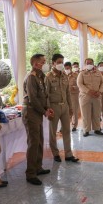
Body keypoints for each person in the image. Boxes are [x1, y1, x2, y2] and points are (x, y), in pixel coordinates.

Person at [22, 54, 53, 186]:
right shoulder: (31, 77)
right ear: (35, 64)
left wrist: (47, 107)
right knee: (33, 143)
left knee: (39, 141)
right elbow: (33, 98)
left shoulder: (41, 76)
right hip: (30, 112)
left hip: (37, 112)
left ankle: (38, 167)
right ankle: (30, 173)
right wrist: (44, 111)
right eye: (43, 62)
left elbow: (43, 96)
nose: (45, 64)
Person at [46, 54, 79, 163]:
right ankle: (55, 153)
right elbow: (46, 95)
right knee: (53, 132)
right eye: (59, 62)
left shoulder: (64, 76)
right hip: (53, 106)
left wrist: (70, 107)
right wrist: (48, 109)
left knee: (66, 130)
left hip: (64, 106)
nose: (61, 64)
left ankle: (68, 154)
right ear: (53, 63)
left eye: (62, 62)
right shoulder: (48, 77)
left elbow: (68, 93)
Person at [77, 58, 103, 137]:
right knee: (85, 114)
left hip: (97, 96)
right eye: (87, 63)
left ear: (93, 64)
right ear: (85, 64)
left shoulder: (98, 73)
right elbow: (79, 84)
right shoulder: (81, 73)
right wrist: (88, 91)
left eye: (90, 63)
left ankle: (97, 129)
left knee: (97, 114)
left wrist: (100, 91)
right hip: (85, 96)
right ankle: (86, 130)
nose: (89, 64)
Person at [65, 62, 80, 132]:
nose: (67, 69)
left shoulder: (76, 75)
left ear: (71, 68)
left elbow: (80, 85)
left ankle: (74, 125)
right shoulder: (63, 75)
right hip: (65, 96)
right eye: (65, 68)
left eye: (68, 68)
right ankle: (65, 126)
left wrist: (74, 87)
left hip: (74, 95)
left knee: (74, 111)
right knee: (65, 111)